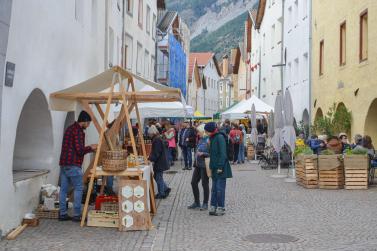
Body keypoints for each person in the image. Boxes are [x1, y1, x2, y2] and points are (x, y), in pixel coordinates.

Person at [59, 111, 97, 221]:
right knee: (79, 188)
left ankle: (62, 213)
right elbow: (80, 150)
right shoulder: (78, 131)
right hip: (73, 164)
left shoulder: (70, 128)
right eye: (88, 123)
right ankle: (76, 215)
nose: (88, 125)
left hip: (64, 163)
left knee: (63, 190)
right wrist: (91, 147)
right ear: (84, 121)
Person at [204, 122, 232, 216]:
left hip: (221, 167)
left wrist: (220, 166)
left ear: (211, 130)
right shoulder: (212, 137)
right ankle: (213, 205)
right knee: (214, 189)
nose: (205, 133)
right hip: (214, 166)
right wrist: (208, 145)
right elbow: (212, 152)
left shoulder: (219, 137)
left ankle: (221, 207)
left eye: (206, 131)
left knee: (220, 188)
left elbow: (223, 154)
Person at [188, 124, 210, 210]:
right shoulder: (200, 139)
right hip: (198, 164)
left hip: (204, 165)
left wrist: (203, 154)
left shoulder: (208, 140)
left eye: (198, 132)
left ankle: (205, 203)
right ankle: (196, 202)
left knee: (205, 184)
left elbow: (212, 154)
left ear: (203, 131)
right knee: (193, 182)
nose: (197, 133)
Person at [148, 125, 171, 199]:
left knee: (158, 177)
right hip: (162, 161)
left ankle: (162, 193)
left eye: (149, 134)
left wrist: (150, 159)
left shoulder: (157, 140)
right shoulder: (158, 138)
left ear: (152, 133)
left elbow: (156, 152)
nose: (149, 135)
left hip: (160, 162)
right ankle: (166, 189)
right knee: (158, 177)